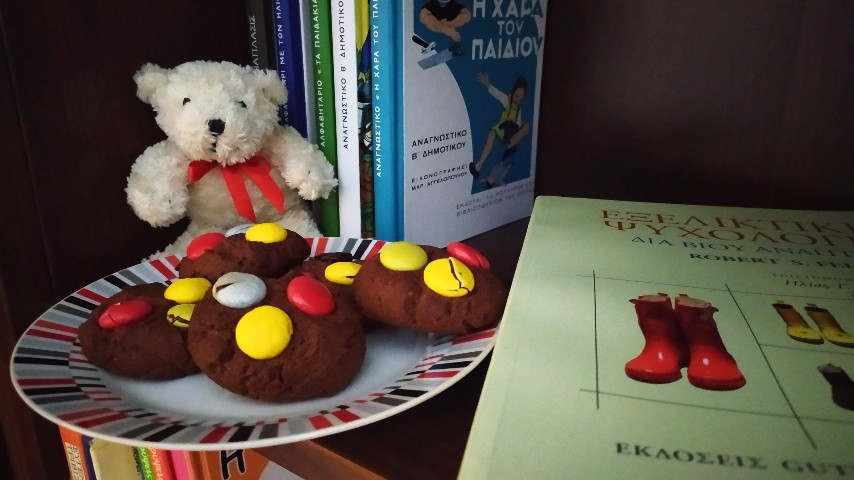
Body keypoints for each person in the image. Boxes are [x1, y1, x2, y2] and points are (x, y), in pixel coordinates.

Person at [469, 72, 530, 188]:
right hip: (501, 129)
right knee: (492, 134)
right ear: (513, 93)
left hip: (512, 134)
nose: (517, 100)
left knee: (525, 128)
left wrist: (516, 136)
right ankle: (478, 166)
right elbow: (497, 94)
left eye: (520, 98)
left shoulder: (519, 110)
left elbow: (519, 126)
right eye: (516, 96)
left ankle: (493, 177)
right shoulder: (507, 100)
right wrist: (487, 84)